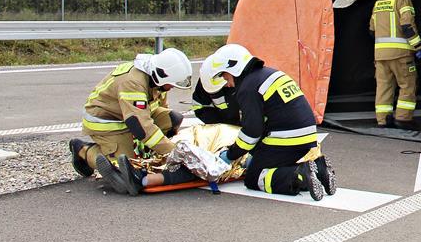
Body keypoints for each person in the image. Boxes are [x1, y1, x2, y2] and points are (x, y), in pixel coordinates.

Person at [201, 43, 333, 201]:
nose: (226, 82)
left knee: (254, 177)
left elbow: (252, 131)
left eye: (225, 76)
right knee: (268, 165)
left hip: (287, 139)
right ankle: (319, 169)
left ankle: (299, 175)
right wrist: (254, 154)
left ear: (233, 69)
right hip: (307, 136)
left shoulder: (247, 88)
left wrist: (230, 155)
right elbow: (267, 121)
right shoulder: (269, 74)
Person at [69, 48, 192, 194]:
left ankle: (152, 158)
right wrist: (173, 151)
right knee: (125, 168)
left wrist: (167, 148)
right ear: (161, 74)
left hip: (132, 115)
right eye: (171, 84)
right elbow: (140, 127)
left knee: (172, 119)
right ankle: (83, 150)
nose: (171, 88)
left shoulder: (155, 78)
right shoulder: (133, 82)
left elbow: (160, 107)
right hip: (107, 122)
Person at [370, 0, 421, 129]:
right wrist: (418, 46)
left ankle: (383, 120)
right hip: (401, 55)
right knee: (408, 85)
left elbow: (372, 30)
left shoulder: (379, 2)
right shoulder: (403, 0)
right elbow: (407, 26)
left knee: (383, 87)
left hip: (380, 55)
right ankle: (403, 119)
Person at [189, 54, 242, 126]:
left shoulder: (246, 82)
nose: (229, 86)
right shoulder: (207, 79)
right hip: (221, 126)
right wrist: (220, 126)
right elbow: (199, 106)